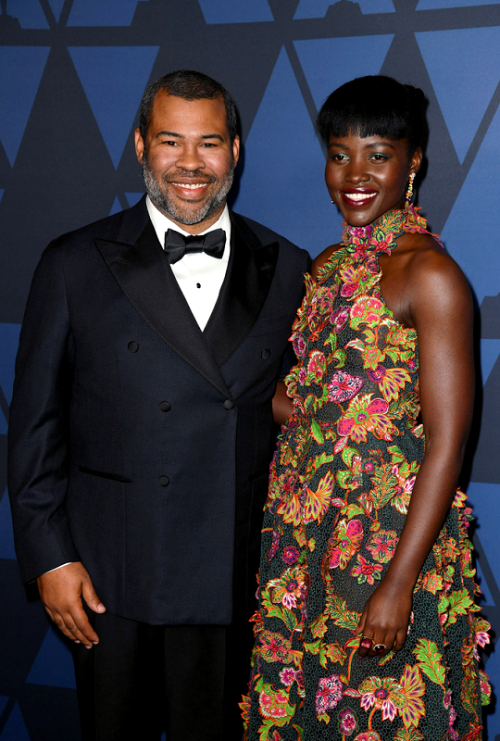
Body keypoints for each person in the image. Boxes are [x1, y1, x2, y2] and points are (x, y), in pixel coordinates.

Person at [8, 69, 309, 741]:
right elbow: (34, 427)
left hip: (234, 576)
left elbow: (302, 416)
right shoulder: (73, 262)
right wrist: (50, 557)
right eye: (171, 142)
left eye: (209, 143)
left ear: (235, 149)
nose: (191, 165)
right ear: (141, 145)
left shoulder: (289, 267)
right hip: (110, 578)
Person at [243, 75, 491, 740]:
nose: (354, 174)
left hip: (383, 546)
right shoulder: (323, 267)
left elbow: (447, 441)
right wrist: (278, 398)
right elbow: (303, 394)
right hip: (301, 545)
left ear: (413, 163)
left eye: (378, 155)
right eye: (339, 153)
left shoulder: (430, 276)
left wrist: (398, 581)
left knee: (378, 720)